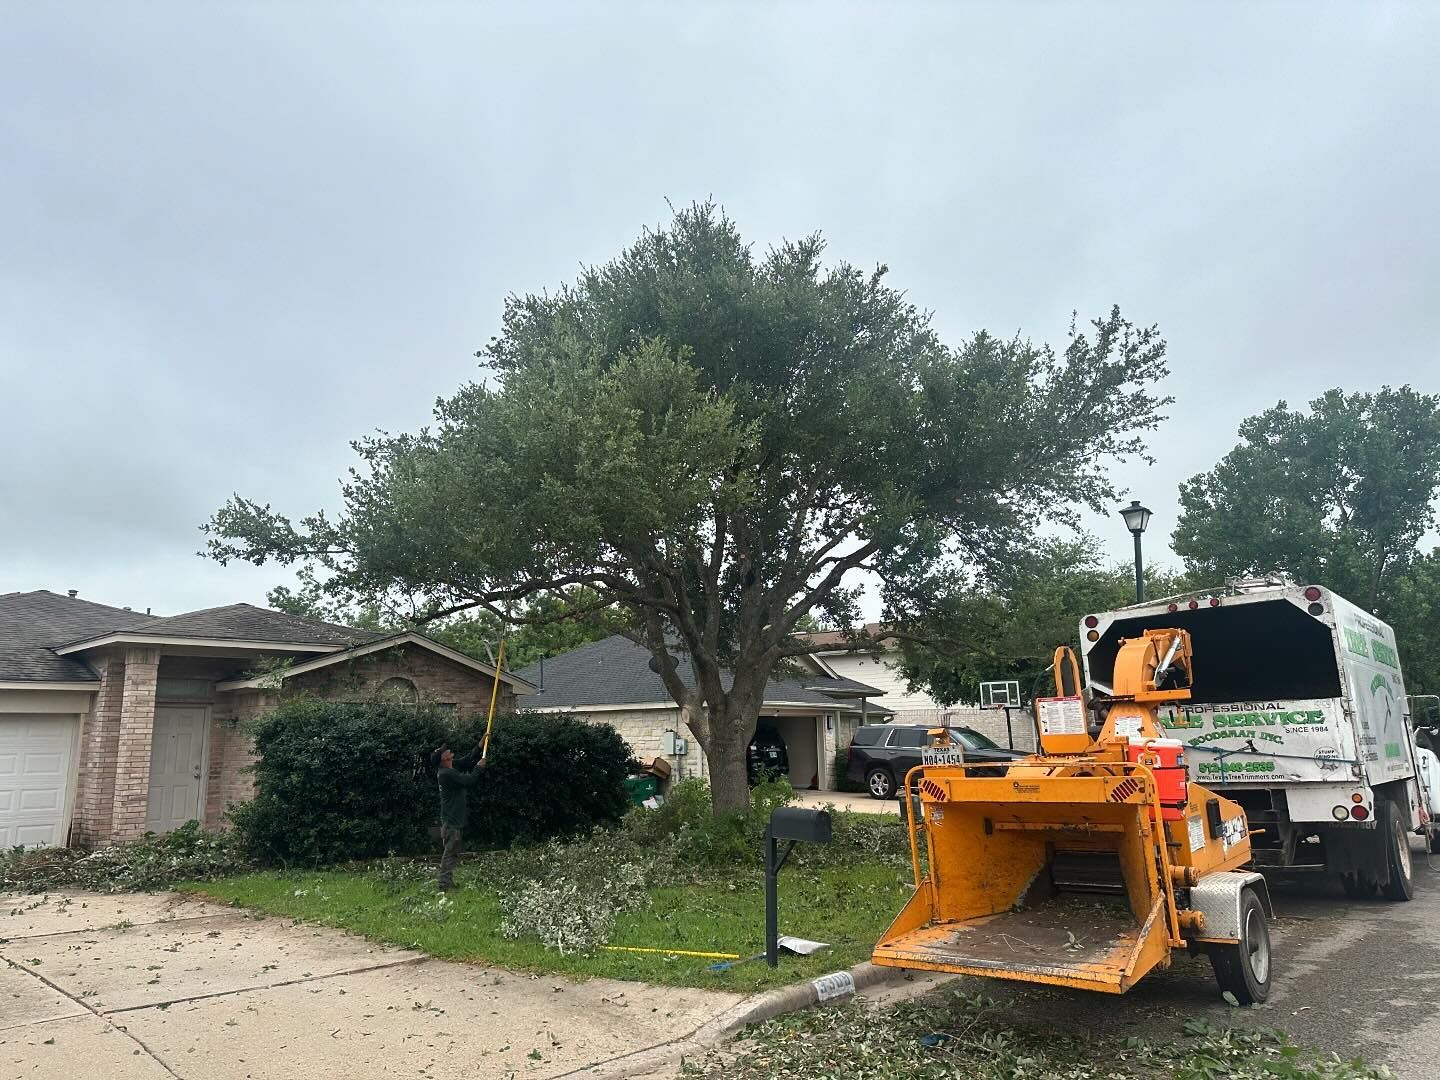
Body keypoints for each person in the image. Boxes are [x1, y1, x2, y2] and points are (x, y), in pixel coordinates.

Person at [430, 743, 486, 891]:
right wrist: (479, 767)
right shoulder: (447, 774)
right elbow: (469, 781)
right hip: (451, 823)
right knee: (450, 854)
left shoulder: (449, 767)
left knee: (452, 853)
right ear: (443, 759)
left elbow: (466, 760)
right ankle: (443, 886)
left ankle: (448, 883)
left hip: (451, 821)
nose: (447, 750)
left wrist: (480, 745)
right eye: (443, 751)